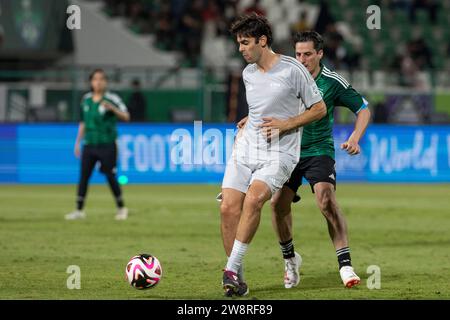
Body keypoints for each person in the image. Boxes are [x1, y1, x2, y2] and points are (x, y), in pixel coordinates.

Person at [220, 14, 326, 297]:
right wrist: (248, 120)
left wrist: (286, 124)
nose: (241, 49)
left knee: (254, 199)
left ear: (262, 41)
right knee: (228, 208)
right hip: (246, 147)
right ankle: (237, 280)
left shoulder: (293, 70)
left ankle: (229, 268)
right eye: (239, 44)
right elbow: (262, 108)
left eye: (245, 43)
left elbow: (319, 109)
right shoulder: (248, 74)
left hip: (280, 152)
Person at [263, 31, 371, 288]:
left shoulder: (332, 81)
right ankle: (290, 261)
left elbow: (363, 108)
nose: (302, 59)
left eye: (308, 54)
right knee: (277, 205)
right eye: (298, 54)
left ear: (320, 54)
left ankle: (345, 265)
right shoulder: (284, 77)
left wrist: (355, 138)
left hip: (318, 150)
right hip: (287, 150)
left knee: (325, 198)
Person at [66, 69, 130, 220]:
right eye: (95, 79)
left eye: (101, 79)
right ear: (91, 82)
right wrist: (77, 142)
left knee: (110, 175)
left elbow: (127, 116)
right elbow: (83, 123)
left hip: (107, 143)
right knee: (84, 176)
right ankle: (79, 210)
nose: (98, 82)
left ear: (106, 82)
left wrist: (113, 109)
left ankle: (121, 208)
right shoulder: (86, 100)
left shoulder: (112, 99)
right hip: (89, 144)